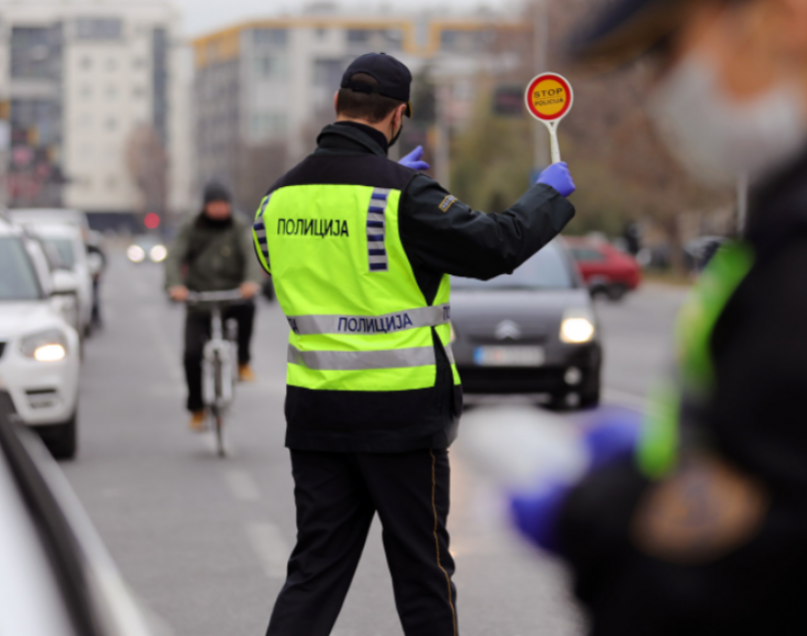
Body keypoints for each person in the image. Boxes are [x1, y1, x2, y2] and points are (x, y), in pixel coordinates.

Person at [509, 0, 807, 634]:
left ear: (790, 17)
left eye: (667, 51)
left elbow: (779, 575)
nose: (658, 89)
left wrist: (604, 521)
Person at [252, 52, 578, 636]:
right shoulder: (403, 196)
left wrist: (388, 185)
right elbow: (496, 246)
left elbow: (310, 262)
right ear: (399, 115)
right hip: (401, 415)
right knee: (422, 574)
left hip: (317, 414)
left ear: (337, 107)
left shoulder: (274, 202)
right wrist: (546, 196)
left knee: (314, 573)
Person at [166, 182, 264, 430]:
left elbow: (251, 254)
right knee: (191, 355)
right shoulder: (191, 227)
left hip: (232, 296)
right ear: (206, 206)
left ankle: (243, 362)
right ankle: (197, 408)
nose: (220, 209)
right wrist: (176, 285)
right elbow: (175, 256)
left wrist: (251, 281)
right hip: (199, 300)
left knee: (249, 309)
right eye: (215, 204)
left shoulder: (239, 226)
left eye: (224, 204)